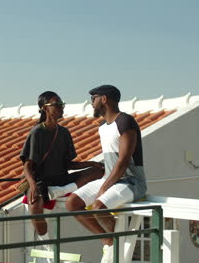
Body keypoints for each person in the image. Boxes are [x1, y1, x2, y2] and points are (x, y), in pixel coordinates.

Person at [65, 85, 147, 263]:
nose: (91, 103)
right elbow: (111, 160)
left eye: (93, 99)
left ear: (104, 99)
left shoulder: (125, 122)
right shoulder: (103, 127)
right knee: (72, 203)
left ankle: (114, 239)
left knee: (98, 207)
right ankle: (109, 241)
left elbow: (124, 161)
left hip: (131, 182)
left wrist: (104, 187)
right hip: (110, 179)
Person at [20, 91, 104, 237]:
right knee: (36, 212)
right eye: (56, 104)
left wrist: (92, 164)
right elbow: (27, 165)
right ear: (45, 108)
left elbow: (68, 165)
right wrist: (33, 186)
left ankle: (60, 191)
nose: (61, 107)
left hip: (62, 179)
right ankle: (46, 240)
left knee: (99, 171)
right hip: (41, 182)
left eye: (61, 104)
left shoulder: (64, 132)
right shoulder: (37, 132)